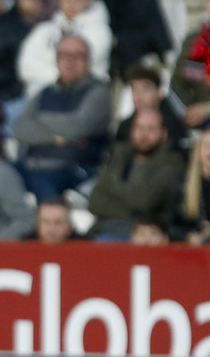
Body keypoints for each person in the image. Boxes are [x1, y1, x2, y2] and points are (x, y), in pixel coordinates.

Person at [12, 34, 112, 200]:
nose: (70, 62)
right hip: (30, 164)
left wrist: (38, 118)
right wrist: (54, 137)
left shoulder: (99, 91)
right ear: (57, 60)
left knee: (45, 188)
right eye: (64, 56)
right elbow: (19, 128)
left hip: (73, 168)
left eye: (77, 56)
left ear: (88, 60)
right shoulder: (45, 92)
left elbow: (78, 127)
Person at [88, 109, 185, 240]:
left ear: (163, 134)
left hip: (147, 234)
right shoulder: (118, 155)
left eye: (151, 129)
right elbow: (95, 201)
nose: (144, 134)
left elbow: (143, 202)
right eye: (139, 127)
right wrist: (133, 213)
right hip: (104, 229)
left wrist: (112, 186)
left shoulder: (172, 163)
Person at [17, 0, 112, 98]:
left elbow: (77, 71)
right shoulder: (43, 30)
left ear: (88, 1)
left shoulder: (100, 31)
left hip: (83, 99)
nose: (71, 3)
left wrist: (43, 65)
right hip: (39, 99)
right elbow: (25, 67)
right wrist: (56, 77)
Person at [114, 65, 188, 153]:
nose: (139, 96)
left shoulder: (173, 124)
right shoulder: (125, 126)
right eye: (134, 89)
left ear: (159, 92)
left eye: (145, 89)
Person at [171, 0, 210, 134]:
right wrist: (188, 111)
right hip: (195, 118)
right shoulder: (195, 40)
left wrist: (207, 109)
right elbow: (178, 82)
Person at [170, 132, 210, 243]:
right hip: (192, 249)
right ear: (198, 151)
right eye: (207, 146)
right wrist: (188, 236)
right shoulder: (183, 185)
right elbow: (172, 224)